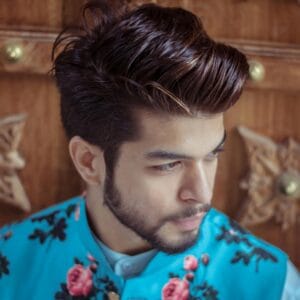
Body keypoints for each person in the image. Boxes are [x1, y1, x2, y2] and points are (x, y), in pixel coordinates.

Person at [0, 1, 299, 299]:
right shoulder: (9, 264)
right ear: (88, 161)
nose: (202, 194)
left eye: (211, 155)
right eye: (169, 165)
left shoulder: (273, 285)